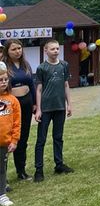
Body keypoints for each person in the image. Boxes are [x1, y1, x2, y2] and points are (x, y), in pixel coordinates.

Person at [34, 39, 74, 182]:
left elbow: (66, 85)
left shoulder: (64, 65)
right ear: (46, 51)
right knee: (41, 139)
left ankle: (59, 164)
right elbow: (38, 89)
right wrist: (38, 109)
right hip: (46, 108)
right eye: (52, 49)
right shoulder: (42, 68)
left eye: (57, 48)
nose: (56, 51)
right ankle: (38, 170)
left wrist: (69, 104)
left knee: (58, 137)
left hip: (60, 107)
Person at [2, 39, 35, 180]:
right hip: (11, 104)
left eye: (19, 48)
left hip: (27, 103)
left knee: (23, 137)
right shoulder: (4, 66)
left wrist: (35, 104)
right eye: (14, 49)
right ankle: (3, 176)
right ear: (7, 51)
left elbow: (32, 84)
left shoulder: (25, 64)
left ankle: (21, 170)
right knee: (7, 138)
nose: (17, 51)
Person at [0, 61, 21, 206]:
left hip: (4, 142)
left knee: (2, 169)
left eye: (5, 80)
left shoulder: (12, 100)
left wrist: (14, 140)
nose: (3, 82)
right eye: (0, 80)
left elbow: (16, 123)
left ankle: (2, 194)